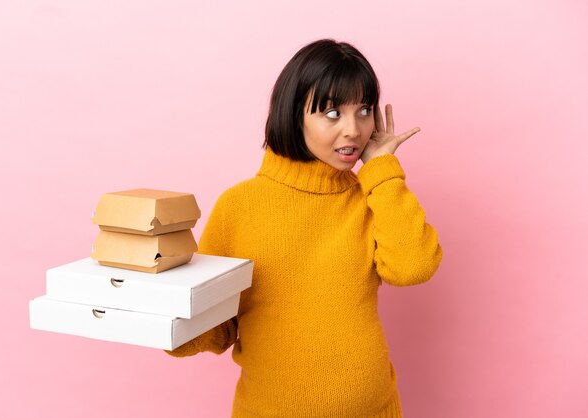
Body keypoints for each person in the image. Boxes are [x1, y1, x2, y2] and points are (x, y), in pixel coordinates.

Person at [165, 38, 443, 418]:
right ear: (295, 114)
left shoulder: (372, 196)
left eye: (363, 110)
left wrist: (381, 170)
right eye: (332, 113)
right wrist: (164, 321)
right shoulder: (239, 207)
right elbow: (219, 326)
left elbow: (414, 266)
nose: (353, 130)